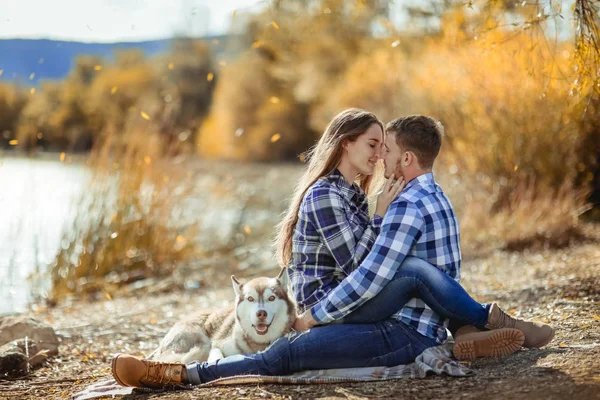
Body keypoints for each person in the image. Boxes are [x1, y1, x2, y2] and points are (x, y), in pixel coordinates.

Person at [111, 110, 554, 388]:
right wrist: (312, 316)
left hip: (358, 306)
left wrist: (378, 214)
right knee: (411, 274)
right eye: (372, 144)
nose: (380, 156)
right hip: (337, 302)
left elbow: (368, 270)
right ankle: (476, 323)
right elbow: (360, 268)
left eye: (385, 146)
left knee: (409, 276)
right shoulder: (329, 195)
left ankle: (470, 328)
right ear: (346, 143)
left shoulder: (358, 196)